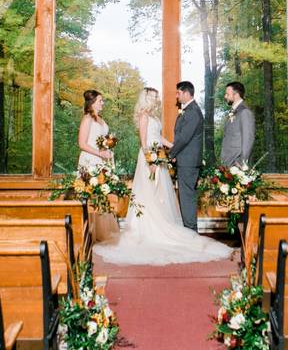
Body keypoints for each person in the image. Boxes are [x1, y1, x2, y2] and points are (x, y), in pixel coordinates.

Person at [94, 86, 232, 265]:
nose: (157, 99)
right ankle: (146, 231)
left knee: (160, 196)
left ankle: (162, 227)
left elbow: (159, 138)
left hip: (158, 158)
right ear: (146, 99)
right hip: (148, 160)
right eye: (154, 96)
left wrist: (173, 148)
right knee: (148, 194)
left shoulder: (154, 117)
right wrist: (150, 161)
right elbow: (144, 142)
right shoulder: (144, 117)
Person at [76, 89, 118, 241]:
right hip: (89, 161)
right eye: (100, 101)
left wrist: (107, 149)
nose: (103, 103)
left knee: (102, 196)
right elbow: (82, 143)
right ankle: (90, 234)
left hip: (101, 162)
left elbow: (101, 140)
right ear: (92, 103)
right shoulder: (87, 119)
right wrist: (99, 153)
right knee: (91, 196)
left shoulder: (100, 119)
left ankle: (101, 233)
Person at [169, 80, 204, 231]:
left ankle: (191, 232)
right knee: (185, 197)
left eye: (178, 93)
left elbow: (184, 138)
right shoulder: (190, 110)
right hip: (186, 161)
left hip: (188, 163)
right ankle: (189, 230)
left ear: (186, 93)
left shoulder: (193, 112)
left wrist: (171, 154)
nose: (177, 96)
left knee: (187, 197)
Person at [220, 81, 256, 167]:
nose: (225, 97)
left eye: (227, 94)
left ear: (236, 94)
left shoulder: (245, 112)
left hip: (236, 165)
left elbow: (248, 139)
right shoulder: (233, 112)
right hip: (228, 163)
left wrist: (241, 162)